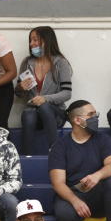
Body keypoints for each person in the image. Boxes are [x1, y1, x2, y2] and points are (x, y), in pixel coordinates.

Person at [49, 100, 111, 221]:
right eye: (91, 114)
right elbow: (58, 183)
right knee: (63, 212)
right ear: (78, 120)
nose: (96, 117)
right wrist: (75, 201)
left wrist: (97, 175)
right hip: (74, 193)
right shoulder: (60, 146)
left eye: (95, 114)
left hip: (99, 194)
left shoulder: (103, 139)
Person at [15, 26, 72, 154]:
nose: (31, 44)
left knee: (44, 106)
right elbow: (18, 94)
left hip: (56, 114)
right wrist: (20, 88)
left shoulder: (60, 63)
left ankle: (55, 151)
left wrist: (45, 99)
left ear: (47, 40)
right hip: (34, 114)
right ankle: (27, 156)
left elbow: (67, 93)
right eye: (30, 41)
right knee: (28, 114)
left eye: (35, 40)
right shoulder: (27, 63)